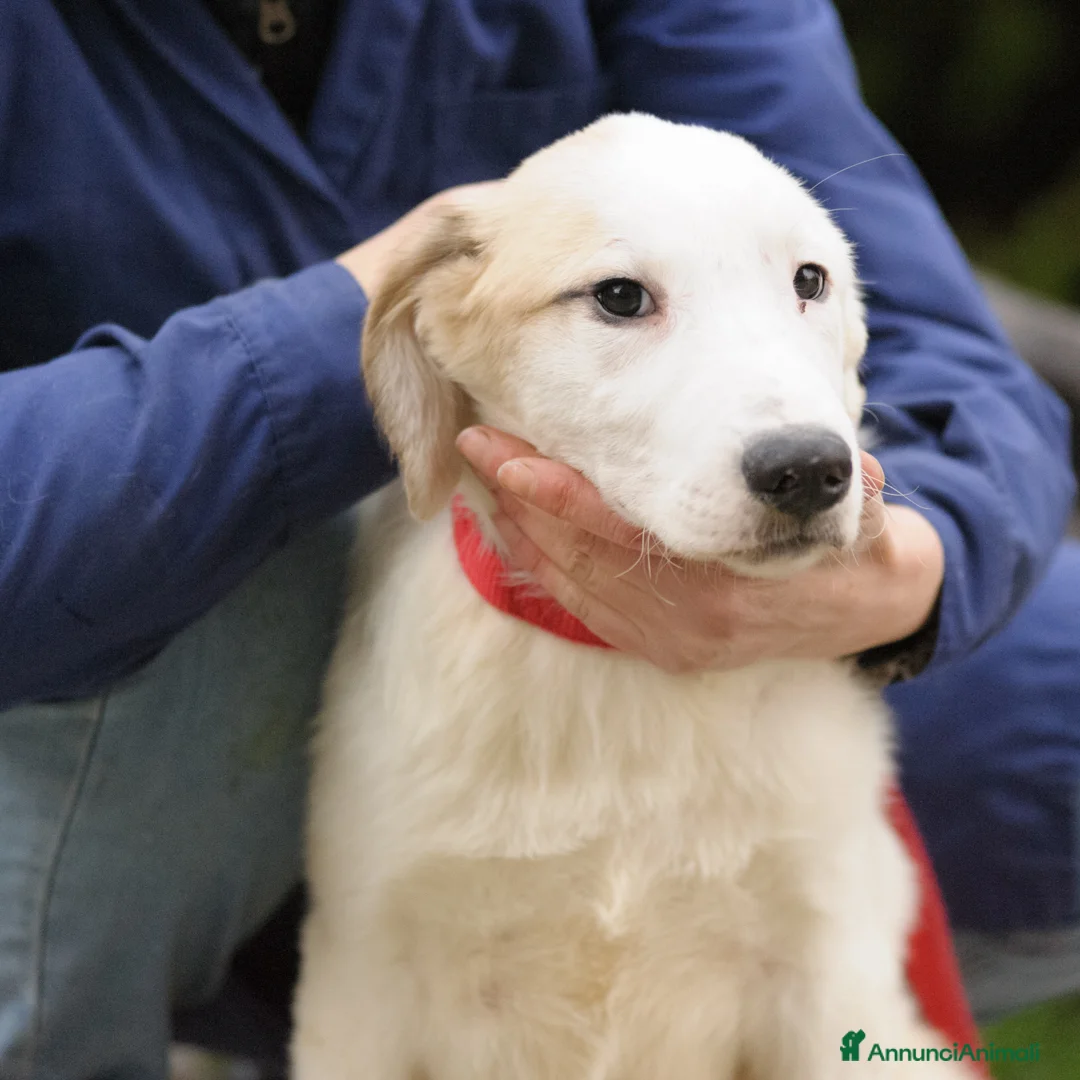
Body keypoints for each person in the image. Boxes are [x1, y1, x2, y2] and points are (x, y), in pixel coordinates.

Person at [0, 1, 1074, 1074]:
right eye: (619, 295)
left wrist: (907, 577)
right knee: (177, 623)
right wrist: (368, 316)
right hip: (125, 691)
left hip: (701, 688)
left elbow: (941, 344)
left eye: (807, 289)